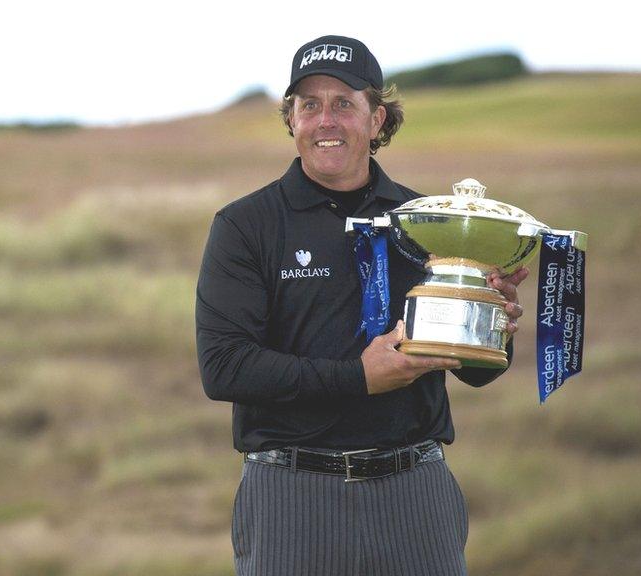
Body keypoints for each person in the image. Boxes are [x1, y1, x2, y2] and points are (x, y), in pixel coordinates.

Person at [195, 35, 528, 576]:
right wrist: (359, 377)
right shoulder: (244, 226)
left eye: (344, 104)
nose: (326, 120)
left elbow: (477, 375)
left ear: (377, 120)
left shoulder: (430, 222)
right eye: (309, 105)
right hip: (290, 500)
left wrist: (488, 324)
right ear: (291, 121)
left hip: (414, 496)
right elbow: (224, 368)